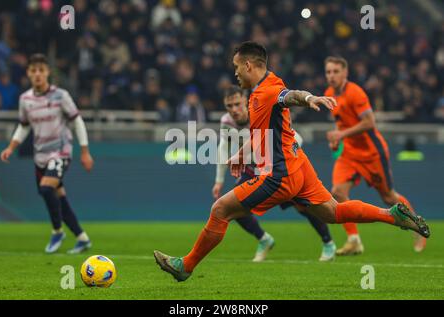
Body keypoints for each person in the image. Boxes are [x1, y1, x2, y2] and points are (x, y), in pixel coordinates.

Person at [154, 41, 430, 282]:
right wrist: (241, 154)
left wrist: (309, 98)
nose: (235, 72)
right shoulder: (266, 86)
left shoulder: (268, 91)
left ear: (249, 65)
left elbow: (290, 96)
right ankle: (391, 215)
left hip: (280, 174)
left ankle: (185, 266)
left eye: (236, 66)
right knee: (334, 212)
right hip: (299, 165)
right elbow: (263, 131)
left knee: (220, 210)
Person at [213, 85, 336, 262]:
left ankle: (328, 243)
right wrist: (218, 180)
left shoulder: (261, 112)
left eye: (237, 104)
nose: (234, 110)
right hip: (254, 170)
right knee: (232, 206)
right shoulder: (226, 122)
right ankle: (264, 239)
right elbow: (223, 147)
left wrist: (287, 161)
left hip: (279, 169)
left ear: (245, 99)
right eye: (229, 106)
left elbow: (296, 138)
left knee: (304, 207)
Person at [324, 56, 427, 254]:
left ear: (345, 73)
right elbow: (342, 123)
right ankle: (354, 240)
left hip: (372, 153)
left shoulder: (356, 93)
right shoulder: (329, 94)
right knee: (337, 192)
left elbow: (370, 122)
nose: (331, 76)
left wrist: (341, 134)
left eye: (336, 71)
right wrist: (337, 139)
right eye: (328, 72)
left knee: (388, 197)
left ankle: (417, 227)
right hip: (349, 154)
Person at [0, 53, 94, 254]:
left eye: (41, 70)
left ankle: (57, 230)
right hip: (40, 155)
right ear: (28, 73)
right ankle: (82, 237)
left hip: (60, 152)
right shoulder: (25, 99)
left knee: (45, 189)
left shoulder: (61, 96)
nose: (37, 75)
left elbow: (77, 121)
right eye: (33, 71)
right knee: (57, 197)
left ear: (48, 73)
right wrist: (11, 147)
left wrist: (85, 151)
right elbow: (24, 126)